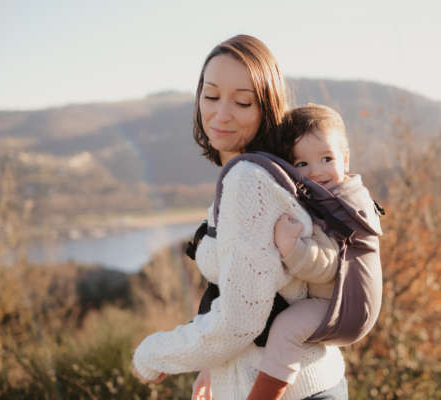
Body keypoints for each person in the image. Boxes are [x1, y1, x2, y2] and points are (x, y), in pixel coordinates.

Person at [132, 35, 348, 400]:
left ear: (267, 108)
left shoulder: (248, 182)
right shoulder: (263, 172)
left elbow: (239, 321)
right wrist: (213, 366)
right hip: (312, 383)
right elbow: (254, 289)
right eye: (211, 96)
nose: (221, 114)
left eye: (243, 101)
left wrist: (153, 354)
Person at [246, 104, 382, 400]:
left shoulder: (342, 206)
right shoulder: (330, 197)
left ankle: (264, 395)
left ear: (345, 160)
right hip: (341, 302)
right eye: (302, 164)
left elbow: (329, 265)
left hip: (345, 306)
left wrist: (291, 248)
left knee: (286, 327)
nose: (317, 171)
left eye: (326, 158)